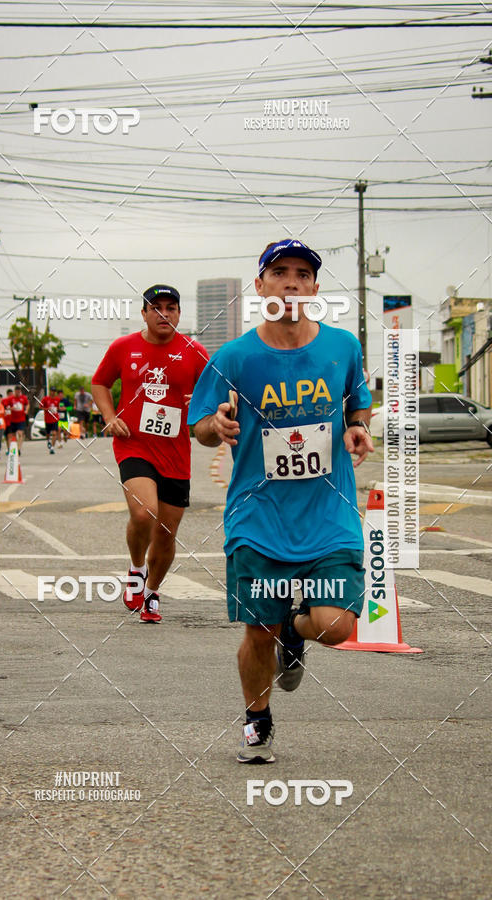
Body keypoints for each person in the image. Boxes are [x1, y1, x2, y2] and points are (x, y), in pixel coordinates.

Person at [188, 239, 373, 763]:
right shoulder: (235, 357)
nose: (291, 281)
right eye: (279, 272)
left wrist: (357, 428)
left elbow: (358, 403)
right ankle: (257, 719)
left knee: (337, 627)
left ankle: (297, 630)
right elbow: (199, 423)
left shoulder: (342, 348)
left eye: (301, 273)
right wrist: (214, 426)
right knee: (257, 629)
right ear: (260, 286)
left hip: (328, 512)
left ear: (314, 288)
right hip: (258, 516)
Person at [92, 284, 208, 622]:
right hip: (134, 444)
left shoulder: (194, 351)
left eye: (171, 308)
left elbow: (214, 389)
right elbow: (99, 383)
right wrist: (110, 417)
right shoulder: (123, 347)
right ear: (144, 313)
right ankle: (136, 568)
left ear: (179, 314)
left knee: (167, 533)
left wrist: (209, 415)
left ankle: (152, 592)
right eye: (156, 308)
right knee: (144, 514)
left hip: (175, 452)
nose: (164, 314)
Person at [4, 385, 27, 453]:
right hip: (13, 420)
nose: (18, 393)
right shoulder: (10, 398)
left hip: (21, 419)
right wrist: (11, 408)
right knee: (13, 436)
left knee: (20, 433)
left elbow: (27, 404)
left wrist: (26, 410)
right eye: (17, 392)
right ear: (15, 391)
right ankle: (13, 448)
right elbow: (6, 407)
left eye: (19, 392)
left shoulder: (23, 398)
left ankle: (19, 449)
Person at [40, 386, 60, 454]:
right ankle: (48, 441)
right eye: (52, 391)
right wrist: (47, 409)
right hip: (48, 419)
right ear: (50, 391)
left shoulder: (57, 399)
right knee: (48, 433)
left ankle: (52, 448)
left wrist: (59, 409)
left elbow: (59, 407)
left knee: (54, 433)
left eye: (54, 391)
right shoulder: (45, 399)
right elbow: (40, 407)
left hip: (55, 419)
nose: (53, 392)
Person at [3, 388, 13, 453]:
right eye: (9, 394)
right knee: (7, 436)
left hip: (12, 421)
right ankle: (8, 448)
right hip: (5, 421)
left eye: (11, 394)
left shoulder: (14, 401)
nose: (11, 396)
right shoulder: (4, 401)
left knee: (11, 435)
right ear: (7, 394)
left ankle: (11, 449)